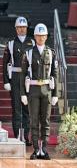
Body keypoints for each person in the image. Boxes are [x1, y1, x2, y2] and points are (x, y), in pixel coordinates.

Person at [20, 23, 58, 160]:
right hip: (33, 90)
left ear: (46, 36)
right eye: (38, 35)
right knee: (34, 121)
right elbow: (23, 75)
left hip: (47, 90)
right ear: (35, 36)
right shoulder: (28, 53)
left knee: (46, 121)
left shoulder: (51, 53)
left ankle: (45, 149)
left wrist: (55, 94)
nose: (41, 38)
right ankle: (36, 149)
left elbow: (55, 74)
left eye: (43, 36)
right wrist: (23, 93)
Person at [2, 16, 35, 146]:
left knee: (27, 110)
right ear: (16, 29)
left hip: (27, 80)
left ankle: (26, 137)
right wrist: (6, 81)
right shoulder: (10, 44)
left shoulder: (32, 43)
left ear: (27, 28)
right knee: (16, 109)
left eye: (24, 27)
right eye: (19, 27)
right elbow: (5, 64)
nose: (22, 29)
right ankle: (17, 137)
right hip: (15, 78)